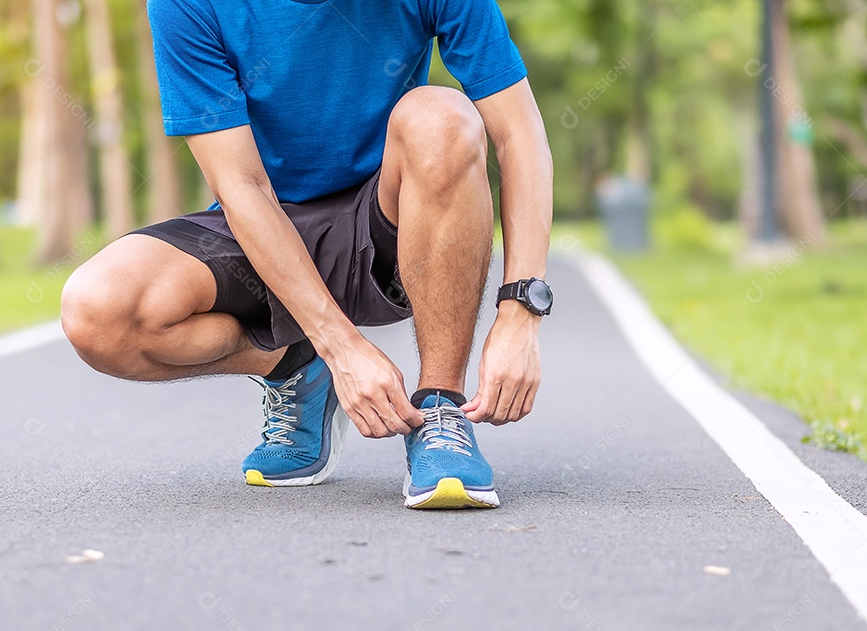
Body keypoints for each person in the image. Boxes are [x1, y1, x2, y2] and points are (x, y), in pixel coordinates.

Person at [61, 0, 554, 510]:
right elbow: (243, 187)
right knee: (99, 312)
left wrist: (521, 311)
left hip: (386, 219)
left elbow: (519, 135)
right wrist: (339, 348)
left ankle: (439, 409)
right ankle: (298, 363)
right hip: (258, 221)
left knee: (443, 116)